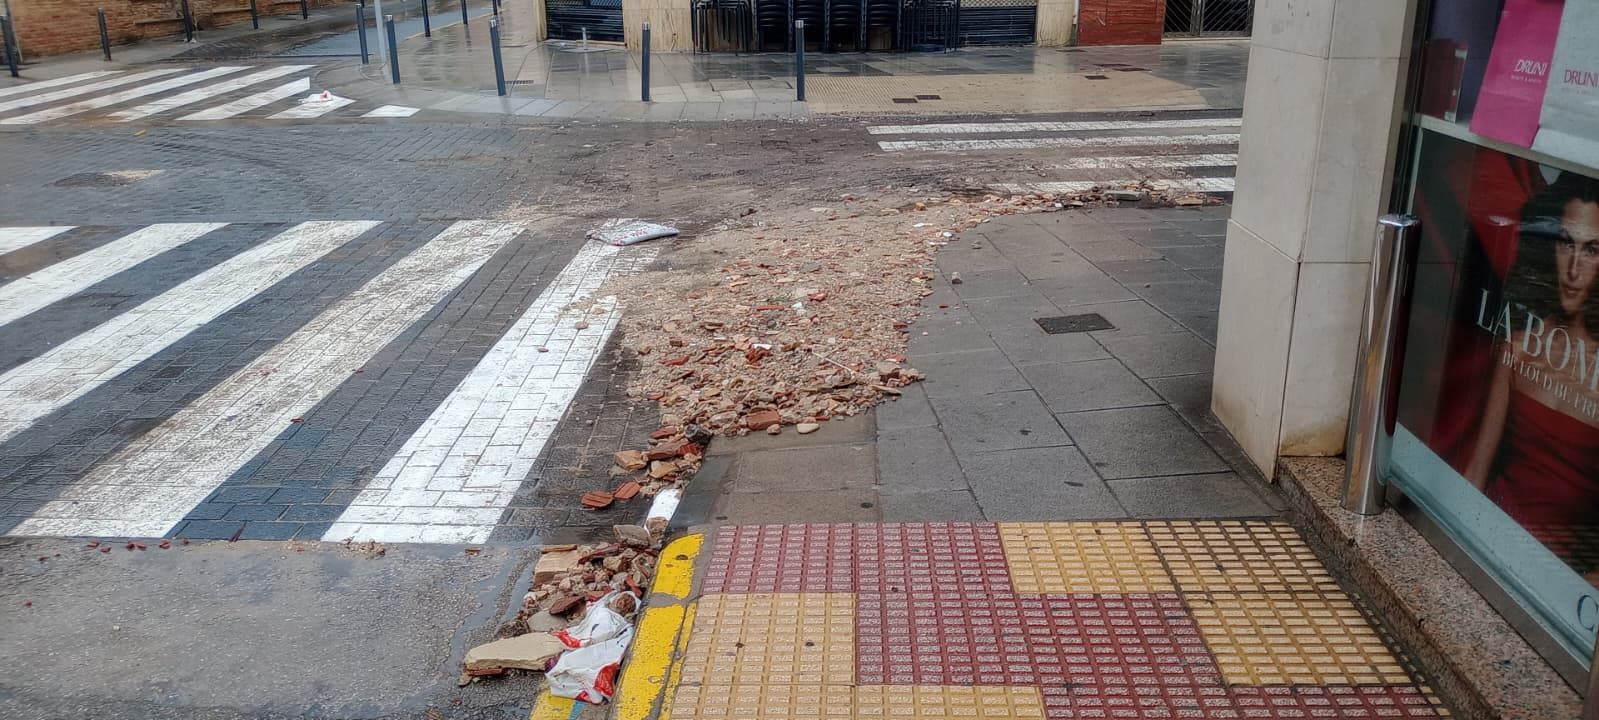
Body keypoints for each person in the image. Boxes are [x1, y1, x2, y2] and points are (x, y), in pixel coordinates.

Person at [1465, 171, 1599, 563]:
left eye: (1592, 250)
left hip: (1559, 576)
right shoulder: (1520, 347)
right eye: (1565, 243)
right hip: (1489, 534)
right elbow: (1476, 471)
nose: (1573, 268)